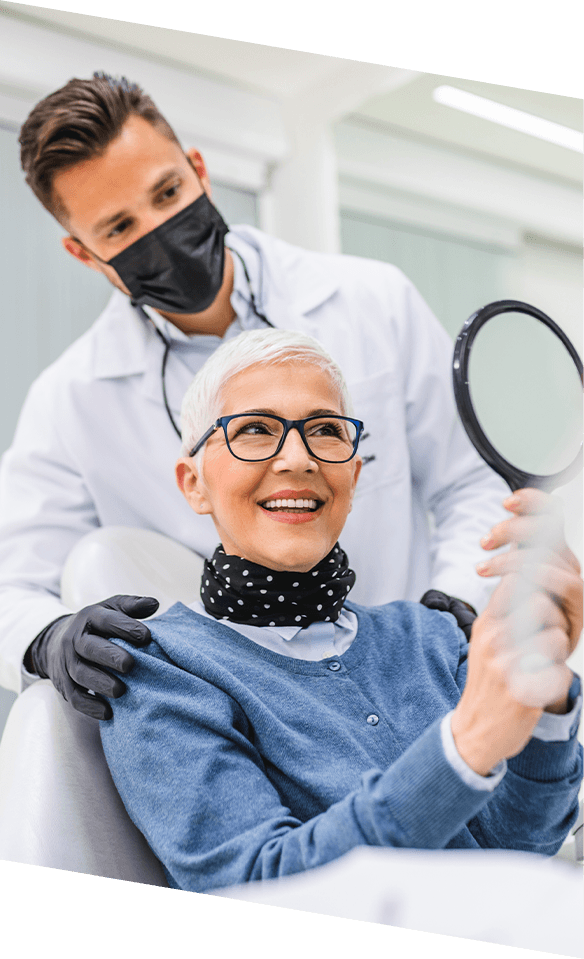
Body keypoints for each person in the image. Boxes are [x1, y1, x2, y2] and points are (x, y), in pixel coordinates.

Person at [0, 72, 508, 717]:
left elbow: (469, 483)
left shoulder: (373, 303)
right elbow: (12, 585)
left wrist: (455, 606)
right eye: (121, 226)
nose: (160, 228)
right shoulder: (72, 401)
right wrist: (46, 638)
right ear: (83, 253)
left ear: (199, 171)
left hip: (425, 679)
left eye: (168, 192)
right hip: (256, 722)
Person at [100, 328, 583, 893]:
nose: (298, 459)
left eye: (326, 431)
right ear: (194, 483)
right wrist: (466, 745)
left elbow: (519, 846)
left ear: (353, 475)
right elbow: (256, 888)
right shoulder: (161, 672)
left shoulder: (430, 637)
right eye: (255, 430)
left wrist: (545, 701)